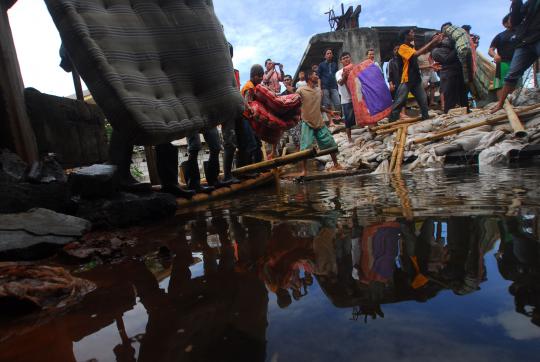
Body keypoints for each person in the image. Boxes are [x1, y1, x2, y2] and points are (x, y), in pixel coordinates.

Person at [492, 0, 540, 113]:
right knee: (512, 75)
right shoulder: (528, 4)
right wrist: (515, 2)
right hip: (525, 42)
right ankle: (500, 104)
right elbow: (516, 20)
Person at [389, 28, 443, 121]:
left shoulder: (410, 47)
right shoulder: (402, 47)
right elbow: (416, 54)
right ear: (406, 36)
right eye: (411, 32)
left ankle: (425, 120)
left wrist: (430, 66)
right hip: (406, 80)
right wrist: (432, 41)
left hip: (416, 80)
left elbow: (415, 65)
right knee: (399, 102)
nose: (413, 34)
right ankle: (391, 123)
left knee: (423, 101)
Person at [296, 70, 342, 176]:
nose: (317, 76)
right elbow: (294, 103)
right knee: (305, 148)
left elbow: (318, 106)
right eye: (315, 74)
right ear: (309, 77)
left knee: (331, 143)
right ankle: (304, 170)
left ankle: (336, 164)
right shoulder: (300, 90)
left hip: (319, 122)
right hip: (307, 122)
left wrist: (329, 111)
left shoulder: (318, 90)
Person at [432, 37, 469, 113]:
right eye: (436, 37)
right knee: (449, 97)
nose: (441, 38)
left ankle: (466, 111)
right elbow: (447, 60)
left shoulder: (450, 48)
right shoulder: (436, 51)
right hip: (448, 74)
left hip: (458, 72)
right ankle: (448, 113)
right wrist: (456, 49)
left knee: (463, 95)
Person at [239, 64, 265, 166]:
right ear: (254, 76)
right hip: (244, 118)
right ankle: (250, 169)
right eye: (260, 76)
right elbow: (247, 104)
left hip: (248, 119)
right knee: (251, 144)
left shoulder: (252, 86)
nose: (261, 79)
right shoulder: (249, 87)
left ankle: (259, 167)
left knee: (257, 144)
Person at [489, 14, 517, 100]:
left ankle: (514, 103)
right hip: (503, 63)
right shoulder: (500, 36)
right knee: (500, 84)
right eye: (511, 19)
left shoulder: (520, 33)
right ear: (505, 24)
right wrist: (495, 55)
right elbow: (490, 50)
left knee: (516, 83)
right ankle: (501, 105)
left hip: (517, 63)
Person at [336, 52, 355, 144]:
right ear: (341, 61)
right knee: (348, 120)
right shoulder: (339, 72)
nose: (346, 59)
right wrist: (345, 75)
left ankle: (369, 130)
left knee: (362, 115)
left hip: (357, 98)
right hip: (346, 99)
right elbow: (340, 83)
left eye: (347, 57)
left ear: (350, 58)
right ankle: (349, 137)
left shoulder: (355, 69)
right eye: (343, 58)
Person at [387, 44, 408, 119]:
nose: (397, 51)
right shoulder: (391, 62)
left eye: (398, 49)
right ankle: (398, 115)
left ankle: (403, 113)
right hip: (396, 83)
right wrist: (391, 84)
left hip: (404, 82)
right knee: (397, 99)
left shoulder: (405, 60)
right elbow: (389, 74)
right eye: (395, 50)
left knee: (404, 98)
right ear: (393, 51)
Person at [317, 49, 341, 114]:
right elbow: (318, 77)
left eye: (330, 53)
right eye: (327, 53)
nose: (329, 55)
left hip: (334, 86)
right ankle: (331, 121)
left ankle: (338, 118)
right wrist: (319, 88)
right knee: (327, 104)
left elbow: (337, 75)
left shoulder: (335, 64)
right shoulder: (321, 65)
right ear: (325, 56)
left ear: (332, 55)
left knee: (338, 103)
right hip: (324, 87)